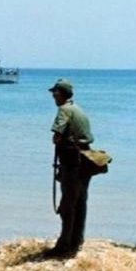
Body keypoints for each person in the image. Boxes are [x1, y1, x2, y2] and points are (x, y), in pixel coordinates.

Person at [46, 79, 94, 258]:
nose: (53, 95)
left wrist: (59, 141)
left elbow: (57, 136)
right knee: (80, 202)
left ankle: (64, 245)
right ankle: (77, 240)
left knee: (67, 205)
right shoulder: (78, 109)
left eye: (55, 92)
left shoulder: (64, 110)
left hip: (72, 162)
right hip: (85, 160)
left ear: (62, 94)